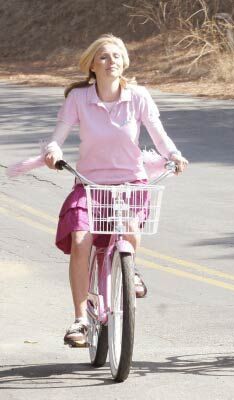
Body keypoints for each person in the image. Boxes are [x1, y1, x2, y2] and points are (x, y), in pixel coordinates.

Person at [43, 34, 188, 347]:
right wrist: (53, 152)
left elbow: (159, 135)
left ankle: (129, 268)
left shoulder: (138, 96)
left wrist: (174, 155)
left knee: (131, 228)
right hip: (90, 184)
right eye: (104, 57)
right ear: (92, 65)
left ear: (125, 63)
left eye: (117, 56)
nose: (112, 62)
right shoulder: (79, 98)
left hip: (129, 182)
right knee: (81, 239)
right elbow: (57, 136)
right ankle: (81, 319)